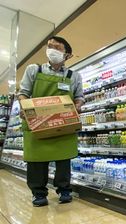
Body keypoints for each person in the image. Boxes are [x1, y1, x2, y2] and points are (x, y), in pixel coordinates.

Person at [17, 36, 84, 207]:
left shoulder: (74, 76)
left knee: (63, 160)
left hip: (63, 124)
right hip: (37, 123)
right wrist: (25, 108)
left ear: (67, 55)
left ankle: (64, 190)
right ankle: (38, 193)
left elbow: (79, 97)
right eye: (49, 46)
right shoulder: (34, 70)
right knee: (36, 161)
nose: (51, 50)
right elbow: (23, 93)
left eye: (57, 47)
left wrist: (77, 107)